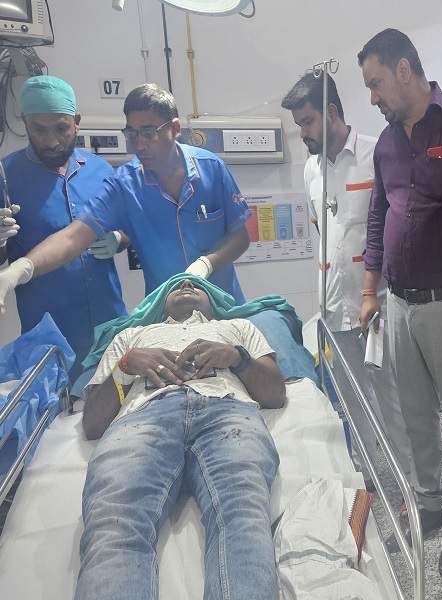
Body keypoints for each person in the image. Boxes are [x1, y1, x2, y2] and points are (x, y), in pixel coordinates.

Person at [357, 27, 442, 577]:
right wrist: (370, 290)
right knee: (415, 414)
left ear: (404, 70)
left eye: (376, 83)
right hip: (397, 302)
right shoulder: (387, 143)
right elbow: (378, 216)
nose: (373, 97)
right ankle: (429, 503)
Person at [75, 276, 285, 599]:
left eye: (197, 285)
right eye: (176, 286)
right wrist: (125, 366)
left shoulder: (238, 328)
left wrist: (236, 358)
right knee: (116, 521)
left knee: (242, 513)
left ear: (214, 304)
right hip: (143, 416)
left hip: (228, 412)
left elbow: (275, 394)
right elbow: (92, 423)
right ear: (161, 305)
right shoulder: (130, 337)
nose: (186, 285)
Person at [0, 83, 251, 320]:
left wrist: (207, 263)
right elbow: (72, 238)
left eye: (149, 133)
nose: (139, 144)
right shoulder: (124, 186)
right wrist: (18, 270)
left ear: (175, 129)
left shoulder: (211, 169)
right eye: (132, 133)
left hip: (225, 309)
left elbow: (241, 238)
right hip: (167, 318)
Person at [280, 71, 414, 487]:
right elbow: (323, 235)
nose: (302, 132)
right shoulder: (311, 169)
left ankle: (412, 486)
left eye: (307, 121)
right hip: (334, 306)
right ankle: (367, 477)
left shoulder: (377, 154)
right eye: (298, 124)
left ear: (332, 113)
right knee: (352, 397)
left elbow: (392, 230)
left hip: (376, 304)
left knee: (391, 396)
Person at [0, 75, 127, 378]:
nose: (51, 141)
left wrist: (119, 238)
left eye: (61, 128)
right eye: (38, 129)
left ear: (76, 122)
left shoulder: (101, 170)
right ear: (25, 123)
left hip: (110, 322)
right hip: (49, 331)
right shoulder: (7, 175)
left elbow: (128, 230)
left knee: (117, 395)